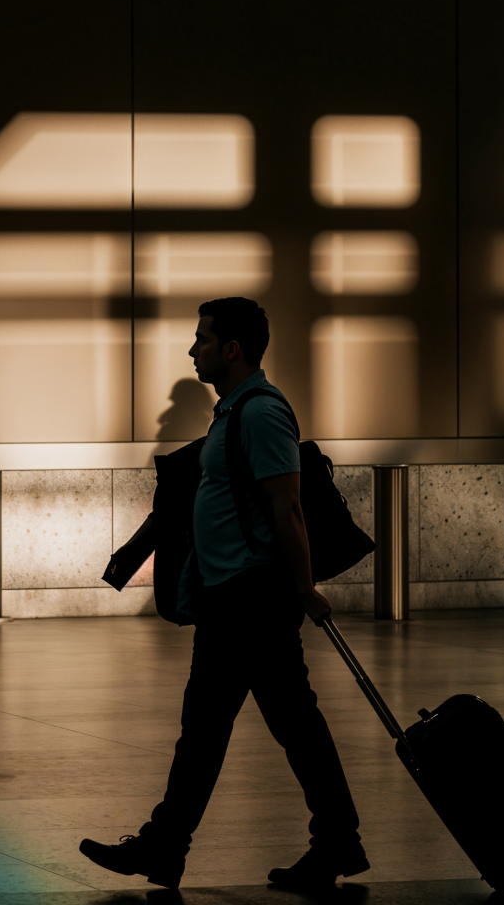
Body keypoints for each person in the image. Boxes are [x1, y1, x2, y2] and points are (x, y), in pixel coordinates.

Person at [79, 298, 366, 891]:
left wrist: (305, 588)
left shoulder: (260, 413)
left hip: (252, 599)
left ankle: (176, 845)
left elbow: (287, 504)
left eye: (202, 339)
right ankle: (180, 845)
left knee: (261, 728)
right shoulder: (233, 411)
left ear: (232, 349)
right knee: (243, 728)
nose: (193, 350)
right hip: (231, 598)